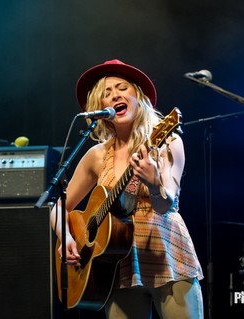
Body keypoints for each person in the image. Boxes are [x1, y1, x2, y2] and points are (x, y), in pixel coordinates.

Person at [51, 59, 204, 318]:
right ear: (100, 108)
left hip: (166, 254)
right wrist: (66, 237)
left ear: (138, 96)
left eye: (122, 88)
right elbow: (58, 206)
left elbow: (166, 204)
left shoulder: (166, 141)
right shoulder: (96, 155)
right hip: (117, 264)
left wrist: (154, 183)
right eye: (106, 94)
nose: (114, 96)